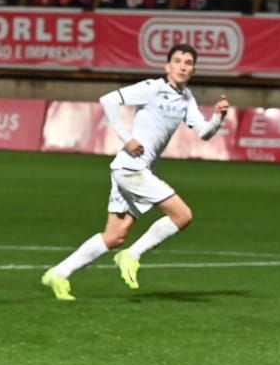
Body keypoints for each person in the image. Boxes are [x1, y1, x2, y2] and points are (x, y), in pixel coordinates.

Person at [41, 44, 230, 300]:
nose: (183, 66)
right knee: (183, 215)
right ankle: (132, 255)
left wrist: (217, 118)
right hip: (132, 168)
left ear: (193, 69)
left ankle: (59, 273)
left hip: (132, 170)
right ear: (168, 66)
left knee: (115, 236)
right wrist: (127, 138)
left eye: (188, 62)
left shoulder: (187, 98)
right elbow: (108, 100)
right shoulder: (153, 88)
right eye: (178, 61)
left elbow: (205, 133)